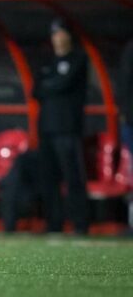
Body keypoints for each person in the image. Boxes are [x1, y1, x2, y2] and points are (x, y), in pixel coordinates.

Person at [33, 18, 89, 235]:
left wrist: (51, 84)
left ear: (68, 36)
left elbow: (62, 85)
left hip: (67, 128)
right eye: (54, 34)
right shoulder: (47, 62)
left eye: (61, 33)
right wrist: (53, 85)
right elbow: (36, 90)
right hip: (46, 128)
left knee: (73, 177)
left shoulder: (79, 59)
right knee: (48, 178)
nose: (57, 38)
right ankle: (53, 224)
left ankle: (80, 224)